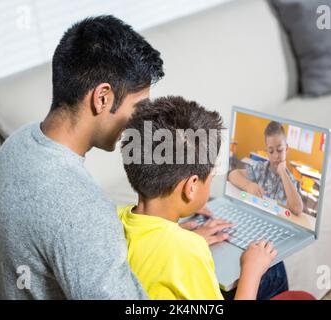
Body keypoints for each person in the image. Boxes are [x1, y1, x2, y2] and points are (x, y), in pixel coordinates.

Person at [0, 16, 222, 300]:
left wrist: (173, 244)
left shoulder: (17, 145)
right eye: (139, 107)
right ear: (102, 98)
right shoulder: (82, 210)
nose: (143, 122)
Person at [117, 96, 287, 299]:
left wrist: (179, 235)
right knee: (274, 270)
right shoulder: (188, 250)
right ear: (191, 187)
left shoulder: (116, 218)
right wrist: (251, 271)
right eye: (212, 176)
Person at [228, 121, 303, 215]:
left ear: (286, 149)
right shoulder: (261, 169)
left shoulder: (289, 179)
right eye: (271, 151)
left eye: (280, 150)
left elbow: (297, 209)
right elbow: (233, 175)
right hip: (255, 214)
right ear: (267, 151)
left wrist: (283, 172)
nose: (276, 156)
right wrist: (248, 185)